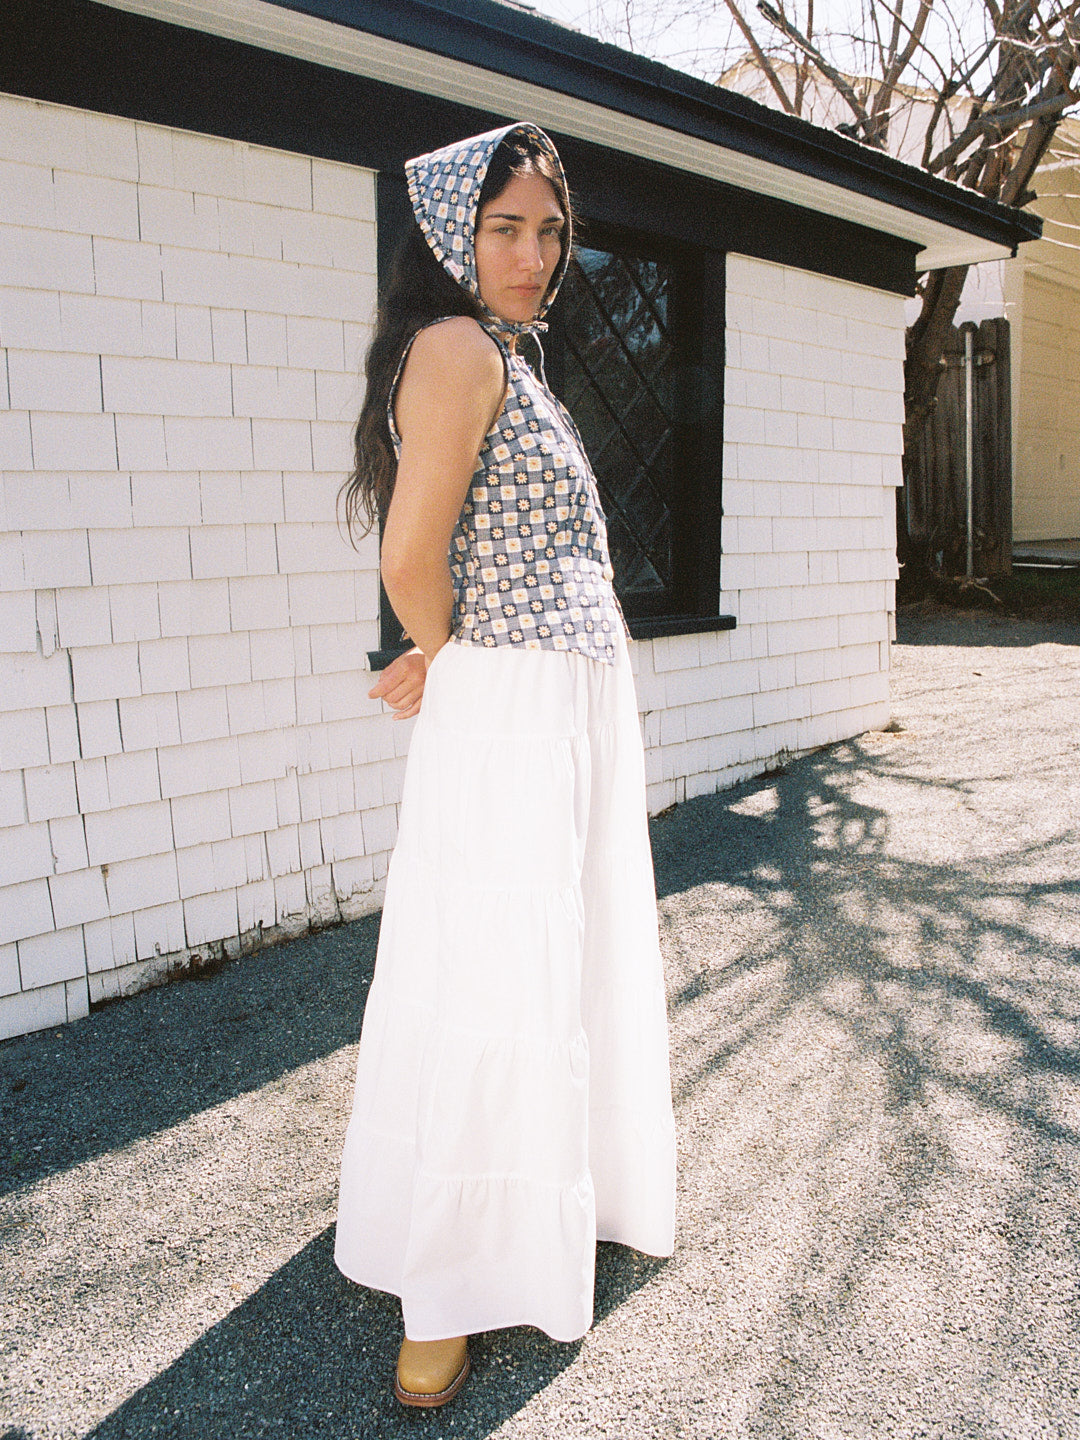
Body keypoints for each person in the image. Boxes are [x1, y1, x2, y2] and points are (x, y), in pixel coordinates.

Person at [334, 122, 676, 1409]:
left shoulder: (508, 359)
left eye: (547, 229)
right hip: (518, 705)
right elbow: (411, 560)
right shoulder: (457, 348)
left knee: (558, 959)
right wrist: (454, 658)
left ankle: (539, 1209)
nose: (534, 255)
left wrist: (450, 649)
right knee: (495, 967)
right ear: (447, 234)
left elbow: (465, 563)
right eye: (503, 229)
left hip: (554, 698)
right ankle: (452, 1278)